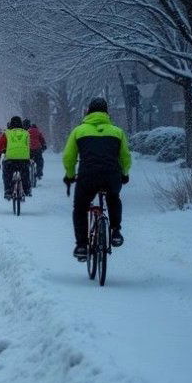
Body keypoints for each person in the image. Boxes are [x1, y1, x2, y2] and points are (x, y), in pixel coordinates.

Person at [63, 98, 131, 261]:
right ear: (107, 113)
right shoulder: (117, 132)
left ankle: (81, 245)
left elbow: (68, 157)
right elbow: (126, 157)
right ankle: (115, 231)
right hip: (111, 174)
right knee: (113, 197)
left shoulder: (79, 131)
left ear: (88, 112)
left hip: (88, 176)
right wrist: (124, 173)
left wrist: (70, 175)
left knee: (80, 208)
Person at [0, 116, 31, 198]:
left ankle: (8, 190)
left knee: (7, 173)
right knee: (25, 173)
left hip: (10, 159)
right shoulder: (26, 133)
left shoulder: (7, 133)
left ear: (10, 124)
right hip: (23, 159)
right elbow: (29, 146)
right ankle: (27, 189)